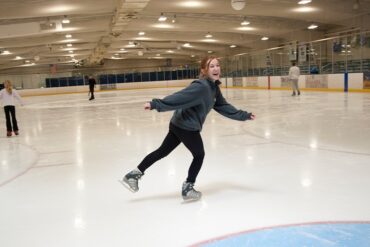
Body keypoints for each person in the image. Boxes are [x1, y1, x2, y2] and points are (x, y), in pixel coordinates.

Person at [120, 56, 255, 201]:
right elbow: (179, 98)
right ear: (204, 70)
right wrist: (155, 104)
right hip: (187, 127)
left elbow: (223, 106)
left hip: (178, 124)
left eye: (217, 65)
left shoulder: (213, 88)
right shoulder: (201, 86)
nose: (216, 68)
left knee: (162, 151)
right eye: (212, 66)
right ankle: (188, 187)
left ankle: (133, 175)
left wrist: (243, 115)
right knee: (199, 155)